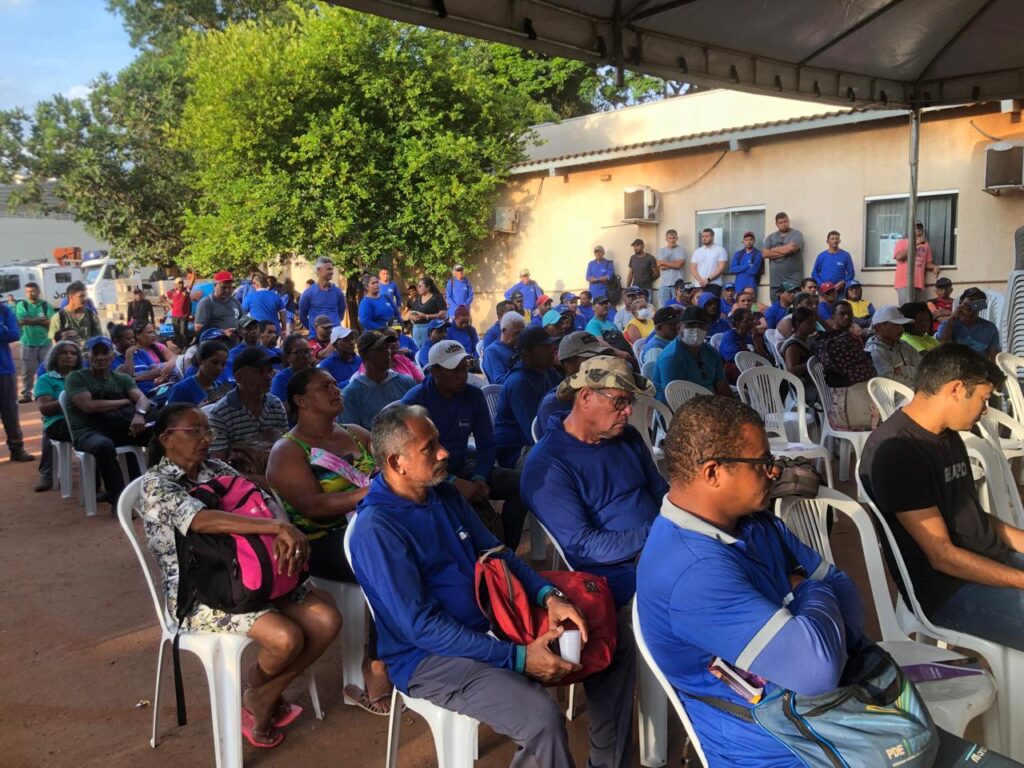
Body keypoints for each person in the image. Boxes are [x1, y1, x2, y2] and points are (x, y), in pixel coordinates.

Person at [350, 404, 636, 768]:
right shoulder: (378, 530)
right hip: (431, 657)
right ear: (396, 463)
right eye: (429, 447)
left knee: (612, 637)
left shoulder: (443, 493)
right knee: (540, 719)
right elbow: (421, 627)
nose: (444, 452)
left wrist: (549, 597)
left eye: (438, 441)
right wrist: (517, 657)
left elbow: (499, 554)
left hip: (497, 618)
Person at [635, 396, 862, 767]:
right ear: (712, 473)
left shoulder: (755, 522)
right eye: (762, 463)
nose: (774, 473)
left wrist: (804, 592)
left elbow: (848, 601)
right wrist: (807, 587)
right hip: (774, 746)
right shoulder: (689, 571)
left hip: (816, 717)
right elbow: (817, 670)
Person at [142, 403, 340, 747]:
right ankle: (262, 696)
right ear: (167, 439)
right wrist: (276, 527)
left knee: (327, 619)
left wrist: (285, 528)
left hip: (254, 572)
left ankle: (261, 693)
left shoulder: (213, 468)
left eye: (207, 430)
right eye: (195, 431)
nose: (206, 438)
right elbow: (202, 520)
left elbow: (263, 497)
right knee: (285, 638)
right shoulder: (156, 486)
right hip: (203, 591)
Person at [861, 344, 1024, 651]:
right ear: (956, 389)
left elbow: (974, 518)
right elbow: (942, 556)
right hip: (947, 590)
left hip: (987, 559)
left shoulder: (946, 435)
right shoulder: (897, 451)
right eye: (983, 399)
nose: (985, 410)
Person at [264, 368, 393, 715]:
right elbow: (314, 507)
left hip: (374, 530)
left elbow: (393, 465)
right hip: (322, 543)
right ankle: (376, 664)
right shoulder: (288, 450)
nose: (336, 390)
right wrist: (373, 491)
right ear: (301, 401)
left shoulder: (355, 433)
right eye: (324, 387)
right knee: (391, 565)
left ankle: (415, 650)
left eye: (335, 384)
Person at [523, 355, 667, 609]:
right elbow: (584, 546)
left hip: (662, 544)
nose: (629, 410)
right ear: (586, 396)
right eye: (620, 401)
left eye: (630, 401)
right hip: (618, 570)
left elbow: (658, 490)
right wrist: (659, 532)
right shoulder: (547, 466)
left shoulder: (628, 436)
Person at [402, 341, 528, 548]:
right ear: (434, 371)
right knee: (461, 510)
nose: (462, 374)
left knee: (522, 484)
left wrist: (480, 477)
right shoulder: (415, 402)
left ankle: (507, 552)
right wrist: (452, 482)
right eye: (454, 370)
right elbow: (414, 463)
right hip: (429, 480)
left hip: (463, 467)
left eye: (464, 367)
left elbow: (487, 444)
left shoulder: (474, 395)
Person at [65, 336, 151, 505]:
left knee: (158, 436)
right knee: (103, 446)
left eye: (105, 352)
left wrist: (139, 414)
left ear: (112, 356)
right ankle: (118, 499)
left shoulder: (122, 378)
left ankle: (153, 488)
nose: (100, 357)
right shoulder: (76, 377)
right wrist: (126, 401)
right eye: (95, 353)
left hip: (117, 427)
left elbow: (143, 399)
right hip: (86, 431)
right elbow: (89, 406)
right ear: (87, 356)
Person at [207, 346, 288, 490]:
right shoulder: (221, 413)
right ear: (239, 377)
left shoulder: (276, 404)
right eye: (259, 372)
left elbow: (286, 448)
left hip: (280, 475)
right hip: (242, 487)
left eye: (269, 371)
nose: (268, 377)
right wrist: (267, 483)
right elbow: (218, 466)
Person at [493, 326, 561, 468]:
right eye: (544, 347)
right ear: (526, 354)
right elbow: (535, 433)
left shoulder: (548, 371)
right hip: (517, 451)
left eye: (551, 346)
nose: (552, 351)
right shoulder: (519, 383)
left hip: (542, 441)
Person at [813, 301, 877, 430]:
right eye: (842, 314)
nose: (846, 317)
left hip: (855, 391)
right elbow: (862, 370)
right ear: (833, 316)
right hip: (845, 399)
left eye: (849, 314)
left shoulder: (852, 337)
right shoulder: (829, 342)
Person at [341, 329, 416, 430]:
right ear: (364, 354)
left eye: (387, 347)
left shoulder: (406, 382)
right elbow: (353, 435)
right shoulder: (351, 394)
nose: (387, 352)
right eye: (380, 349)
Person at [652, 306, 730, 401]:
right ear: (679, 328)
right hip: (677, 409)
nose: (696, 330)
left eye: (700, 326)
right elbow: (675, 398)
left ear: (707, 329)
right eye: (690, 325)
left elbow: (723, 387)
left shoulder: (711, 352)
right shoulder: (671, 357)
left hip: (709, 404)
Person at [32, 340, 81, 489]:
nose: (69, 356)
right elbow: (45, 409)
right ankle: (48, 475)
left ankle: (98, 478)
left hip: (82, 419)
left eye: (73, 353)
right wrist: (70, 399)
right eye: (64, 353)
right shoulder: (45, 379)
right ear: (55, 357)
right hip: (58, 422)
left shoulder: (81, 377)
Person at [15, 281, 54, 403]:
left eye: (32, 291)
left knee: (48, 369)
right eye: (27, 291)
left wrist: (30, 320)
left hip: (45, 343)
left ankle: (47, 393)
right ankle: (27, 394)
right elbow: (21, 321)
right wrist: (41, 320)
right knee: (28, 370)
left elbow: (51, 322)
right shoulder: (22, 305)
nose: (30, 293)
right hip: (28, 343)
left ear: (38, 292)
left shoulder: (46, 305)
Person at [937, 287, 1001, 361]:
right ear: (961, 302)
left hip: (980, 369)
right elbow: (943, 344)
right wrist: (953, 317)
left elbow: (995, 358)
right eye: (971, 300)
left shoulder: (990, 328)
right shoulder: (947, 325)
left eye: (978, 301)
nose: (974, 304)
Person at [866, 305, 920, 387]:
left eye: (902, 325)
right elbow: (889, 383)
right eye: (896, 325)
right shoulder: (874, 351)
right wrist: (916, 377)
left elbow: (923, 368)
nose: (902, 329)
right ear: (880, 326)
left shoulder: (904, 345)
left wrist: (902, 370)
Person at [166, 340, 231, 406]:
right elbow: (171, 415)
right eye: (214, 362)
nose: (219, 368)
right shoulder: (181, 389)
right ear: (200, 360)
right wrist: (198, 410)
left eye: (223, 364)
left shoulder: (222, 388)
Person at [893, 221, 940, 305]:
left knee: (920, 311)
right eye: (915, 229)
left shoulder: (926, 245)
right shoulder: (902, 242)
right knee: (906, 310)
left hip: (919, 284)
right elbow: (899, 257)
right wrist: (915, 244)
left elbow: (926, 263)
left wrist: (934, 267)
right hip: (904, 284)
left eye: (920, 229)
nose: (918, 231)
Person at [762, 212, 805, 301]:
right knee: (776, 307)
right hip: (776, 282)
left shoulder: (796, 234)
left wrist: (773, 249)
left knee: (794, 307)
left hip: (793, 281)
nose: (784, 224)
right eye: (781, 222)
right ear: (776, 224)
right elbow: (765, 253)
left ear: (788, 221)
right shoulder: (771, 237)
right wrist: (785, 251)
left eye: (785, 221)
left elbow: (792, 249)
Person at [719, 307, 769, 383]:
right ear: (737, 323)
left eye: (753, 320)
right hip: (736, 376)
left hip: (753, 372)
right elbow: (737, 359)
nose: (752, 323)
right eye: (748, 321)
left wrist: (755, 339)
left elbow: (763, 358)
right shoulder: (729, 337)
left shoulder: (749, 336)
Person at [111, 323, 163, 396]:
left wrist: (137, 379)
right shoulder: (112, 358)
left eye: (133, 338)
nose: (132, 341)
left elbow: (157, 372)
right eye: (128, 339)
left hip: (153, 391)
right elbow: (127, 377)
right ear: (115, 341)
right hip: (135, 397)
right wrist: (129, 355)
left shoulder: (140, 352)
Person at [298, 256, 346, 331]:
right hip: (315, 338)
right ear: (319, 270)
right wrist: (314, 330)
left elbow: (341, 315)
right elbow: (302, 317)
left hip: (335, 337)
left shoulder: (338, 292)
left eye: (332, 269)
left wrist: (333, 328)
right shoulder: (308, 293)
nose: (331, 272)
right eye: (328, 269)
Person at [780, 306, 818, 395]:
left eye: (814, 321)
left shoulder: (807, 339)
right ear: (797, 324)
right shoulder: (793, 345)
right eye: (809, 322)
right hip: (801, 387)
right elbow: (792, 370)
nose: (813, 325)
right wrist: (815, 362)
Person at [195, 271, 243, 336]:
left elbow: (243, 319)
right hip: (215, 344)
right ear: (215, 286)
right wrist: (222, 332)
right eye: (223, 287)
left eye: (230, 287)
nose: (227, 290)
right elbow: (198, 328)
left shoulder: (234, 301)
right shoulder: (206, 303)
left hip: (234, 343)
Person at [270, 333, 313, 407]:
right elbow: (279, 409)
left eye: (307, 351)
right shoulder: (281, 380)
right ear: (287, 357)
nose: (306, 356)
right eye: (299, 353)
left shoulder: (317, 374)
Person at [482, 311, 524, 385]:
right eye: (516, 333)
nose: (520, 337)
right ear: (504, 330)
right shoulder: (492, 352)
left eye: (522, 333)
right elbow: (500, 382)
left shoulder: (518, 346)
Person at [811, 230, 856, 295]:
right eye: (832, 239)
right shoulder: (821, 256)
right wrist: (822, 284)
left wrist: (844, 282)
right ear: (827, 241)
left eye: (837, 238)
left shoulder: (846, 255)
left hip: (841, 291)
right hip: (825, 291)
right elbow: (814, 273)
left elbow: (851, 273)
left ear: (839, 241)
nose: (835, 240)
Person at [408, 276, 447, 349]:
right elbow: (410, 313)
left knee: (429, 351)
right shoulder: (417, 298)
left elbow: (443, 314)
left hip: (430, 330)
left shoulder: (437, 297)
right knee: (417, 352)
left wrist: (426, 316)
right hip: (416, 330)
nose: (418, 288)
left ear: (428, 287)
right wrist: (412, 317)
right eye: (418, 286)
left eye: (420, 286)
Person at [656, 230, 686, 306]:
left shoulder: (681, 250)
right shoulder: (661, 251)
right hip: (664, 284)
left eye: (673, 238)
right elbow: (660, 266)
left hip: (677, 285)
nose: (672, 240)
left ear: (677, 238)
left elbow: (678, 265)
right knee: (664, 307)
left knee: (678, 306)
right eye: (670, 238)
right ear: (666, 239)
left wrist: (664, 262)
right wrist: (674, 263)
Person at [728, 231, 763, 296]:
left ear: (754, 241)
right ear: (743, 241)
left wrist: (740, 268)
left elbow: (753, 271)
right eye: (746, 240)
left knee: (750, 304)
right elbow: (733, 269)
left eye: (751, 240)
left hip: (751, 284)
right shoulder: (738, 254)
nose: (748, 242)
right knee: (738, 303)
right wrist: (747, 265)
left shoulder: (757, 254)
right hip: (739, 284)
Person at [166, 275, 196, 349]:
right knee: (177, 333)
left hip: (184, 316)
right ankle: (180, 347)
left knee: (183, 332)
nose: (181, 285)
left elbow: (191, 283)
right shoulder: (172, 292)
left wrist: (193, 274)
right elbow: (162, 297)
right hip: (174, 315)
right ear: (175, 285)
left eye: (182, 283)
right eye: (179, 283)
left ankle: (185, 346)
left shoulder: (186, 291)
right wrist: (169, 304)